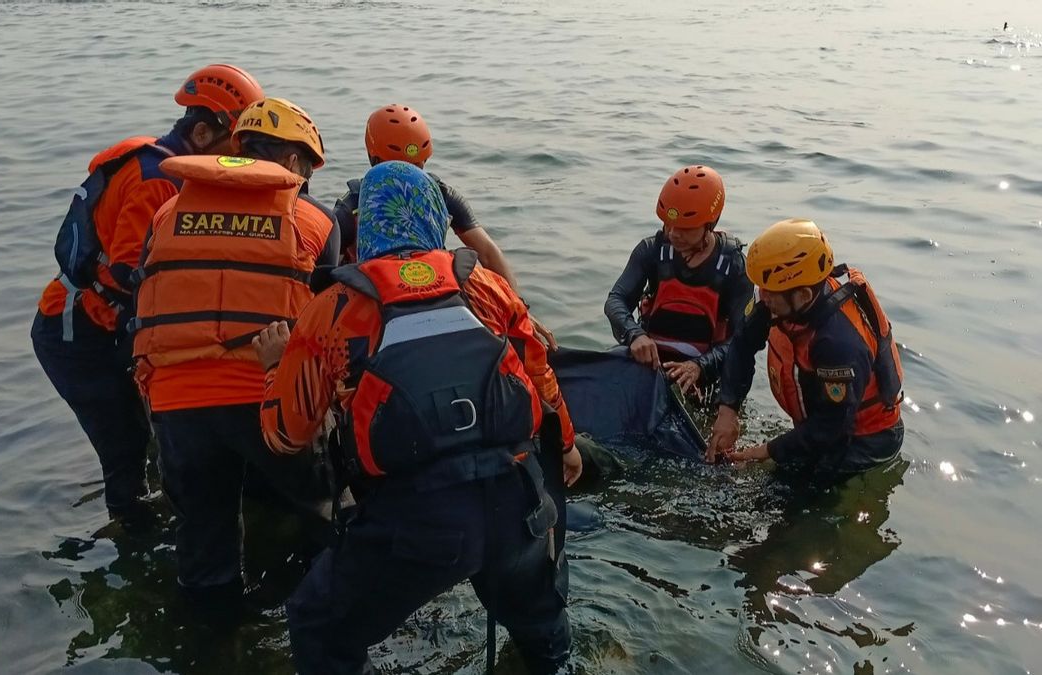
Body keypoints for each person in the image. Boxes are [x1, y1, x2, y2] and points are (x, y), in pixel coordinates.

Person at [254, 161, 581, 674]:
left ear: (367, 226)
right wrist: (567, 446)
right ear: (433, 217)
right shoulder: (488, 288)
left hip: (416, 522)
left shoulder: (334, 307)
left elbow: (286, 436)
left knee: (318, 623)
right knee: (543, 633)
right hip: (518, 503)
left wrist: (274, 369)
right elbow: (539, 373)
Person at [31, 64, 264, 524]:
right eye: (234, 145)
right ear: (202, 132)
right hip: (77, 333)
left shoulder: (164, 166)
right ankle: (132, 533)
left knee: (152, 432)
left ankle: (155, 513)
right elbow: (125, 272)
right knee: (124, 448)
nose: (236, 159)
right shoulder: (157, 179)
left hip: (99, 324)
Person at [130, 97, 339, 593]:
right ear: (292, 163)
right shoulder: (315, 220)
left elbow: (149, 291)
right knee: (322, 507)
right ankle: (316, 606)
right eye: (306, 171)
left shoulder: (166, 212)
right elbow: (331, 317)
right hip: (266, 395)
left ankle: (213, 634)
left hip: (176, 401)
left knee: (203, 533)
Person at [334, 104, 558, 349]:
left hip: (381, 306)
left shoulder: (352, 206)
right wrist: (517, 311)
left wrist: (518, 311)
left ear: (373, 156)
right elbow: (487, 252)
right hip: (422, 298)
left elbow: (488, 252)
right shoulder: (437, 196)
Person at [706, 218, 905, 476]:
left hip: (863, 442)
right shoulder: (782, 297)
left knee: (787, 496)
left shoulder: (838, 343)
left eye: (770, 293)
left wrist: (767, 450)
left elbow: (831, 426)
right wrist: (728, 410)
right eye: (761, 289)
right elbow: (742, 344)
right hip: (822, 424)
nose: (762, 298)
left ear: (803, 296)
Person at [604, 165, 752, 396]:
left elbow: (742, 341)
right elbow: (616, 301)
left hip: (704, 374)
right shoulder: (651, 250)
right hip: (650, 363)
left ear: (709, 224)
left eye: (685, 228)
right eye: (668, 224)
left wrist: (700, 367)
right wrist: (635, 334)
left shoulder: (734, 267)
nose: (673, 234)